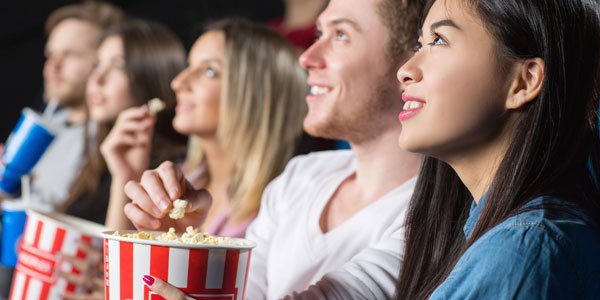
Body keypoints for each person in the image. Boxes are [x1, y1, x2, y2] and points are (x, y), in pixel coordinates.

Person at [125, 0, 425, 298]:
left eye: (341, 35)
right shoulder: (300, 177)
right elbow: (242, 294)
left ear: (411, 64)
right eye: (320, 34)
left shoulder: (435, 213)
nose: (307, 57)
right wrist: (174, 246)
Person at [395, 0, 600, 298]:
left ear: (524, 81)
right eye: (420, 43)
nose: (406, 70)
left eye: (438, 41)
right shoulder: (512, 237)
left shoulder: (524, 249)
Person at [116, 19, 307, 236]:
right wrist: (126, 174)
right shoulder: (179, 183)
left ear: (257, 96)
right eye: (189, 66)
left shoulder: (284, 206)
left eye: (209, 71)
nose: (178, 82)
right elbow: (114, 267)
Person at [60, 19, 187, 225]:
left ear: (152, 77)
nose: (97, 79)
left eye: (118, 67)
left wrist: (126, 177)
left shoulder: (172, 173)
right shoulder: (100, 154)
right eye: (97, 65)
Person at [3, 1, 124, 211]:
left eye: (71, 54)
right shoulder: (45, 126)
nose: (53, 66)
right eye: (50, 55)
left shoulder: (115, 143)